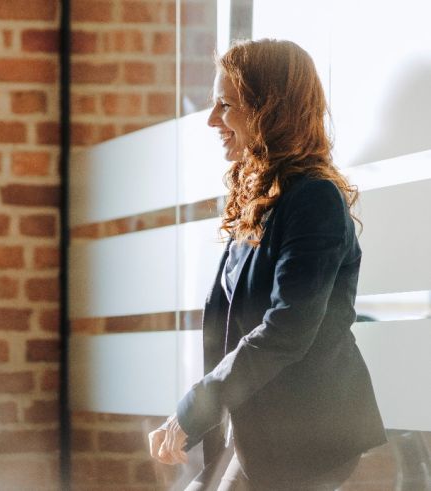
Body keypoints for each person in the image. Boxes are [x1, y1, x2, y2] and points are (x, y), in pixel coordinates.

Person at [144, 39, 386, 490]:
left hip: (306, 436)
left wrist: (193, 410)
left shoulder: (314, 199)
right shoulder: (264, 201)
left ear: (268, 111)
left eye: (225, 105)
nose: (212, 119)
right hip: (259, 430)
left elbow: (286, 330)